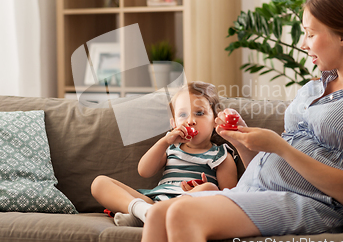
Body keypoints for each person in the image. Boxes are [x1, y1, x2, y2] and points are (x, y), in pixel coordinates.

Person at [138, 0, 343, 242]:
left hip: (309, 202)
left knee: (181, 214)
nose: (302, 44)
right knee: (160, 214)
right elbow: (272, 164)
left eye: (310, 34)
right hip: (256, 190)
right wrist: (245, 141)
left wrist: (279, 146)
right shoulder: (313, 88)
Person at [91, 81, 237, 226]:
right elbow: (144, 171)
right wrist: (164, 142)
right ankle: (144, 212)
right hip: (153, 202)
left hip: (186, 206)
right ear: (173, 123)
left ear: (215, 120)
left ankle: (148, 217)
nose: (191, 120)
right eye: (183, 114)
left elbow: (230, 200)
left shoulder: (221, 156)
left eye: (199, 113)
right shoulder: (171, 148)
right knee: (99, 183)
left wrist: (201, 192)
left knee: (209, 188)